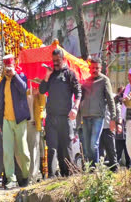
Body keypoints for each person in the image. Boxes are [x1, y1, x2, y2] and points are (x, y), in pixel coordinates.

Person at [39, 48, 81, 177]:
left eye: (58, 60)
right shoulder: (50, 75)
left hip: (65, 118)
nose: (55, 63)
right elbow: (41, 90)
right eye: (53, 60)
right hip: (51, 118)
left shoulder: (70, 74)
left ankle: (68, 175)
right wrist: (47, 75)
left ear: (63, 59)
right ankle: (51, 177)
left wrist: (75, 108)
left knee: (66, 149)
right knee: (51, 148)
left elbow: (78, 92)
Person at [0, 54, 31, 189]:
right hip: (6, 120)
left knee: (23, 151)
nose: (8, 71)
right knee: (7, 152)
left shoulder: (21, 76)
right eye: (6, 68)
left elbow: (23, 89)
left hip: (19, 120)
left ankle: (26, 176)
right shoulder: (3, 82)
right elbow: (0, 102)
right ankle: (11, 179)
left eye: (10, 67)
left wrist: (15, 75)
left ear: (14, 66)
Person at [81, 58, 116, 164]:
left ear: (101, 68)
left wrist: (113, 118)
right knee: (87, 146)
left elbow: (110, 99)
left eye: (97, 68)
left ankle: (95, 167)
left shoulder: (104, 80)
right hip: (86, 117)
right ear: (89, 68)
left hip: (98, 116)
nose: (94, 70)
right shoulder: (85, 82)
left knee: (93, 144)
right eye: (92, 68)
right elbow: (80, 97)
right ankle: (90, 168)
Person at [26, 86, 46, 183]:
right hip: (22, 124)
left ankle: (32, 177)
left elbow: (43, 104)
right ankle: (24, 175)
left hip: (34, 123)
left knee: (33, 150)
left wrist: (40, 92)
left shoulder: (39, 86)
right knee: (23, 151)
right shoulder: (23, 85)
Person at [99, 94, 122, 171]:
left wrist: (118, 124)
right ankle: (100, 169)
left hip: (109, 126)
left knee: (111, 149)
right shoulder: (96, 94)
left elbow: (118, 110)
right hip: (97, 127)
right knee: (99, 150)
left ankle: (114, 168)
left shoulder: (113, 96)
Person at [114, 87, 131, 168]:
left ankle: (128, 166)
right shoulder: (117, 102)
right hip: (120, 134)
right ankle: (117, 166)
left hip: (126, 133)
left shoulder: (129, 102)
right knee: (118, 153)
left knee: (128, 153)